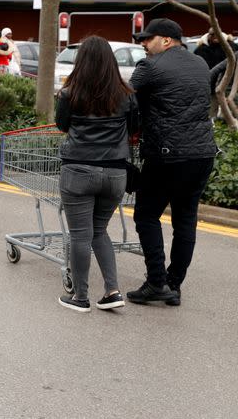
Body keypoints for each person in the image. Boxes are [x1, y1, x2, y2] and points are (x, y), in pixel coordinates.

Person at [127, 18, 218, 306]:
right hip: (202, 153)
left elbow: (125, 100)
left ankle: (156, 281)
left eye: (147, 39)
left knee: (146, 214)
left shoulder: (150, 67)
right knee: (185, 219)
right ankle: (174, 284)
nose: (143, 44)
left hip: (167, 155)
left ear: (166, 40)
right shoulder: (200, 64)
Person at [54, 35, 140, 312]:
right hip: (115, 172)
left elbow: (62, 126)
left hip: (78, 168)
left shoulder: (70, 93)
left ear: (81, 62)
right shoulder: (126, 95)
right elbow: (133, 127)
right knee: (100, 231)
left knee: (80, 235)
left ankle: (80, 298)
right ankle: (112, 291)